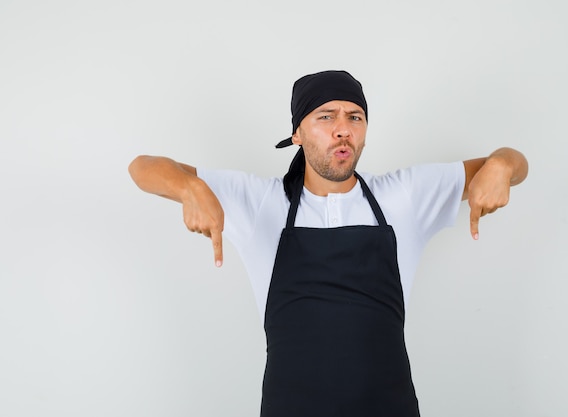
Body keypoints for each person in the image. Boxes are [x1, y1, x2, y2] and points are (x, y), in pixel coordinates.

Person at [128, 70, 528, 417]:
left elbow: (514, 163)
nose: (343, 128)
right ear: (297, 134)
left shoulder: (403, 197)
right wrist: (190, 187)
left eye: (355, 117)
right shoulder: (259, 202)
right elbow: (142, 168)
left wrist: (501, 165)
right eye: (326, 116)